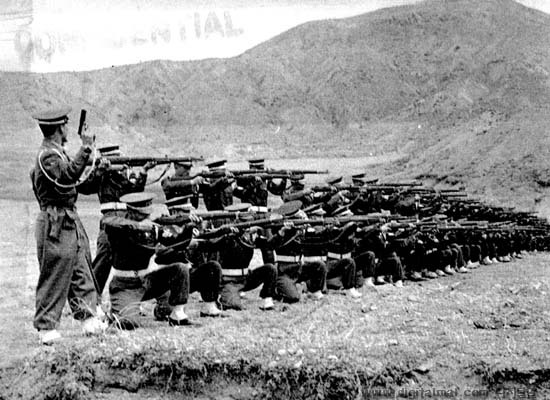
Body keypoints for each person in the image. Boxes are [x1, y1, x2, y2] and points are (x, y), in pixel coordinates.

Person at [29, 107, 106, 344]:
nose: (67, 129)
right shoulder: (48, 157)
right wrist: (86, 148)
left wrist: (97, 170)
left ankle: (88, 318)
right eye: (65, 125)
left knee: (80, 268)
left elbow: (77, 184)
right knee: (55, 272)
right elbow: (66, 177)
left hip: (67, 218)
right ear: (58, 128)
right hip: (55, 221)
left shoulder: (57, 154)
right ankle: (46, 327)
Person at [103, 192, 204, 328]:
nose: (147, 217)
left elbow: (176, 243)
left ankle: (178, 315)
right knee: (128, 323)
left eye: (148, 214)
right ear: (130, 212)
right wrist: (138, 226)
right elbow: (107, 221)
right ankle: (114, 312)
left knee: (180, 269)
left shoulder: (153, 229)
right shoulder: (119, 228)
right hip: (125, 285)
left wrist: (188, 228)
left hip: (147, 280)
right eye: (142, 215)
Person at [86, 145, 156, 296]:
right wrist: (99, 171)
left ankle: (132, 294)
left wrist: (143, 172)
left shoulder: (124, 175)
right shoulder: (101, 175)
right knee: (103, 260)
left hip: (126, 220)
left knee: (131, 256)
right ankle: (93, 298)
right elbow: (85, 187)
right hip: (110, 221)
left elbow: (135, 193)